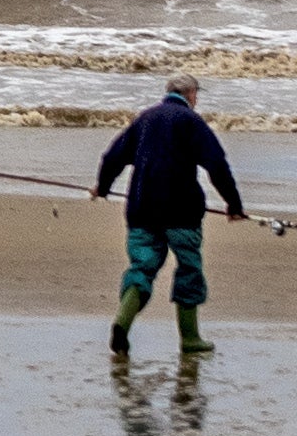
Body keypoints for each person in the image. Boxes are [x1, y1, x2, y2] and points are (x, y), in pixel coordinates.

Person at [90, 72, 241, 357]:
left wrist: (103, 187)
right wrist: (233, 205)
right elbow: (217, 164)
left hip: (141, 207)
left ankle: (122, 321)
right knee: (188, 268)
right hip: (182, 211)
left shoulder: (145, 118)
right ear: (191, 94)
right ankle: (190, 338)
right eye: (197, 95)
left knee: (142, 266)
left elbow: (113, 156)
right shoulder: (191, 122)